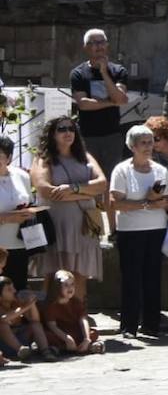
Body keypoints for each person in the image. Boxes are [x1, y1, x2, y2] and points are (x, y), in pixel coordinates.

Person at [31, 116, 107, 300]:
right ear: (52, 134)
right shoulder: (44, 158)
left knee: (80, 273)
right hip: (58, 225)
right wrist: (87, 193)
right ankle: (52, 317)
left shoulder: (85, 156)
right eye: (62, 129)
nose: (68, 133)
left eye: (71, 129)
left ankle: (77, 315)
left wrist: (72, 189)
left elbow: (102, 183)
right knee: (54, 274)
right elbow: (45, 189)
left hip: (84, 225)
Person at [108, 125, 168, 340]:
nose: (148, 146)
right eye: (143, 143)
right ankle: (129, 326)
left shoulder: (160, 170)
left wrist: (160, 203)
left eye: (150, 141)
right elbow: (115, 203)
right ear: (132, 146)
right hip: (131, 231)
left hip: (156, 229)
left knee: (153, 277)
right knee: (131, 278)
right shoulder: (122, 170)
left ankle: (152, 324)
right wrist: (145, 203)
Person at [69, 28, 130, 189]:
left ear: (107, 45)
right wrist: (111, 102)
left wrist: (104, 73)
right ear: (86, 47)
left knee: (111, 182)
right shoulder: (78, 74)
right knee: (89, 179)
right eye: (93, 43)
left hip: (112, 135)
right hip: (88, 136)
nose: (98, 46)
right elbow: (83, 104)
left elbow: (120, 98)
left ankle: (109, 213)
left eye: (101, 42)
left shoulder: (118, 71)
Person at [0, 135, 41, 289]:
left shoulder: (22, 176)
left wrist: (28, 213)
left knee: (18, 290)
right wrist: (7, 218)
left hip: (19, 244)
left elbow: (29, 203)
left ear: (9, 157)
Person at [42, 269, 104, 355]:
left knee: (93, 333)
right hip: (60, 333)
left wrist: (87, 338)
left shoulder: (76, 302)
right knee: (47, 336)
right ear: (57, 287)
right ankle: (64, 348)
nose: (70, 288)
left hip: (74, 331)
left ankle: (81, 346)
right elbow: (52, 326)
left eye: (72, 284)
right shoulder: (51, 305)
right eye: (66, 285)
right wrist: (67, 339)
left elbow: (83, 320)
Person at [0, 276, 51, 363]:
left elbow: (35, 320)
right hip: (6, 344)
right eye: (9, 289)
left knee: (35, 324)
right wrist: (26, 306)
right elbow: (3, 319)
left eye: (13, 288)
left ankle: (46, 351)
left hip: (22, 337)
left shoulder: (17, 301)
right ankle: (20, 349)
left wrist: (32, 304)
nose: (14, 291)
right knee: (2, 324)